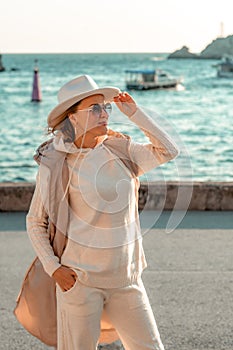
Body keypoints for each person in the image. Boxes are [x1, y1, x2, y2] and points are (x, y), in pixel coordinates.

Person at [26, 74, 179, 350]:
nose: (104, 114)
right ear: (72, 118)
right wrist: (55, 269)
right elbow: (36, 221)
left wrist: (136, 114)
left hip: (127, 278)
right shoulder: (55, 163)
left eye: (105, 107)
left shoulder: (121, 150)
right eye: (94, 108)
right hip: (80, 281)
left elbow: (169, 150)